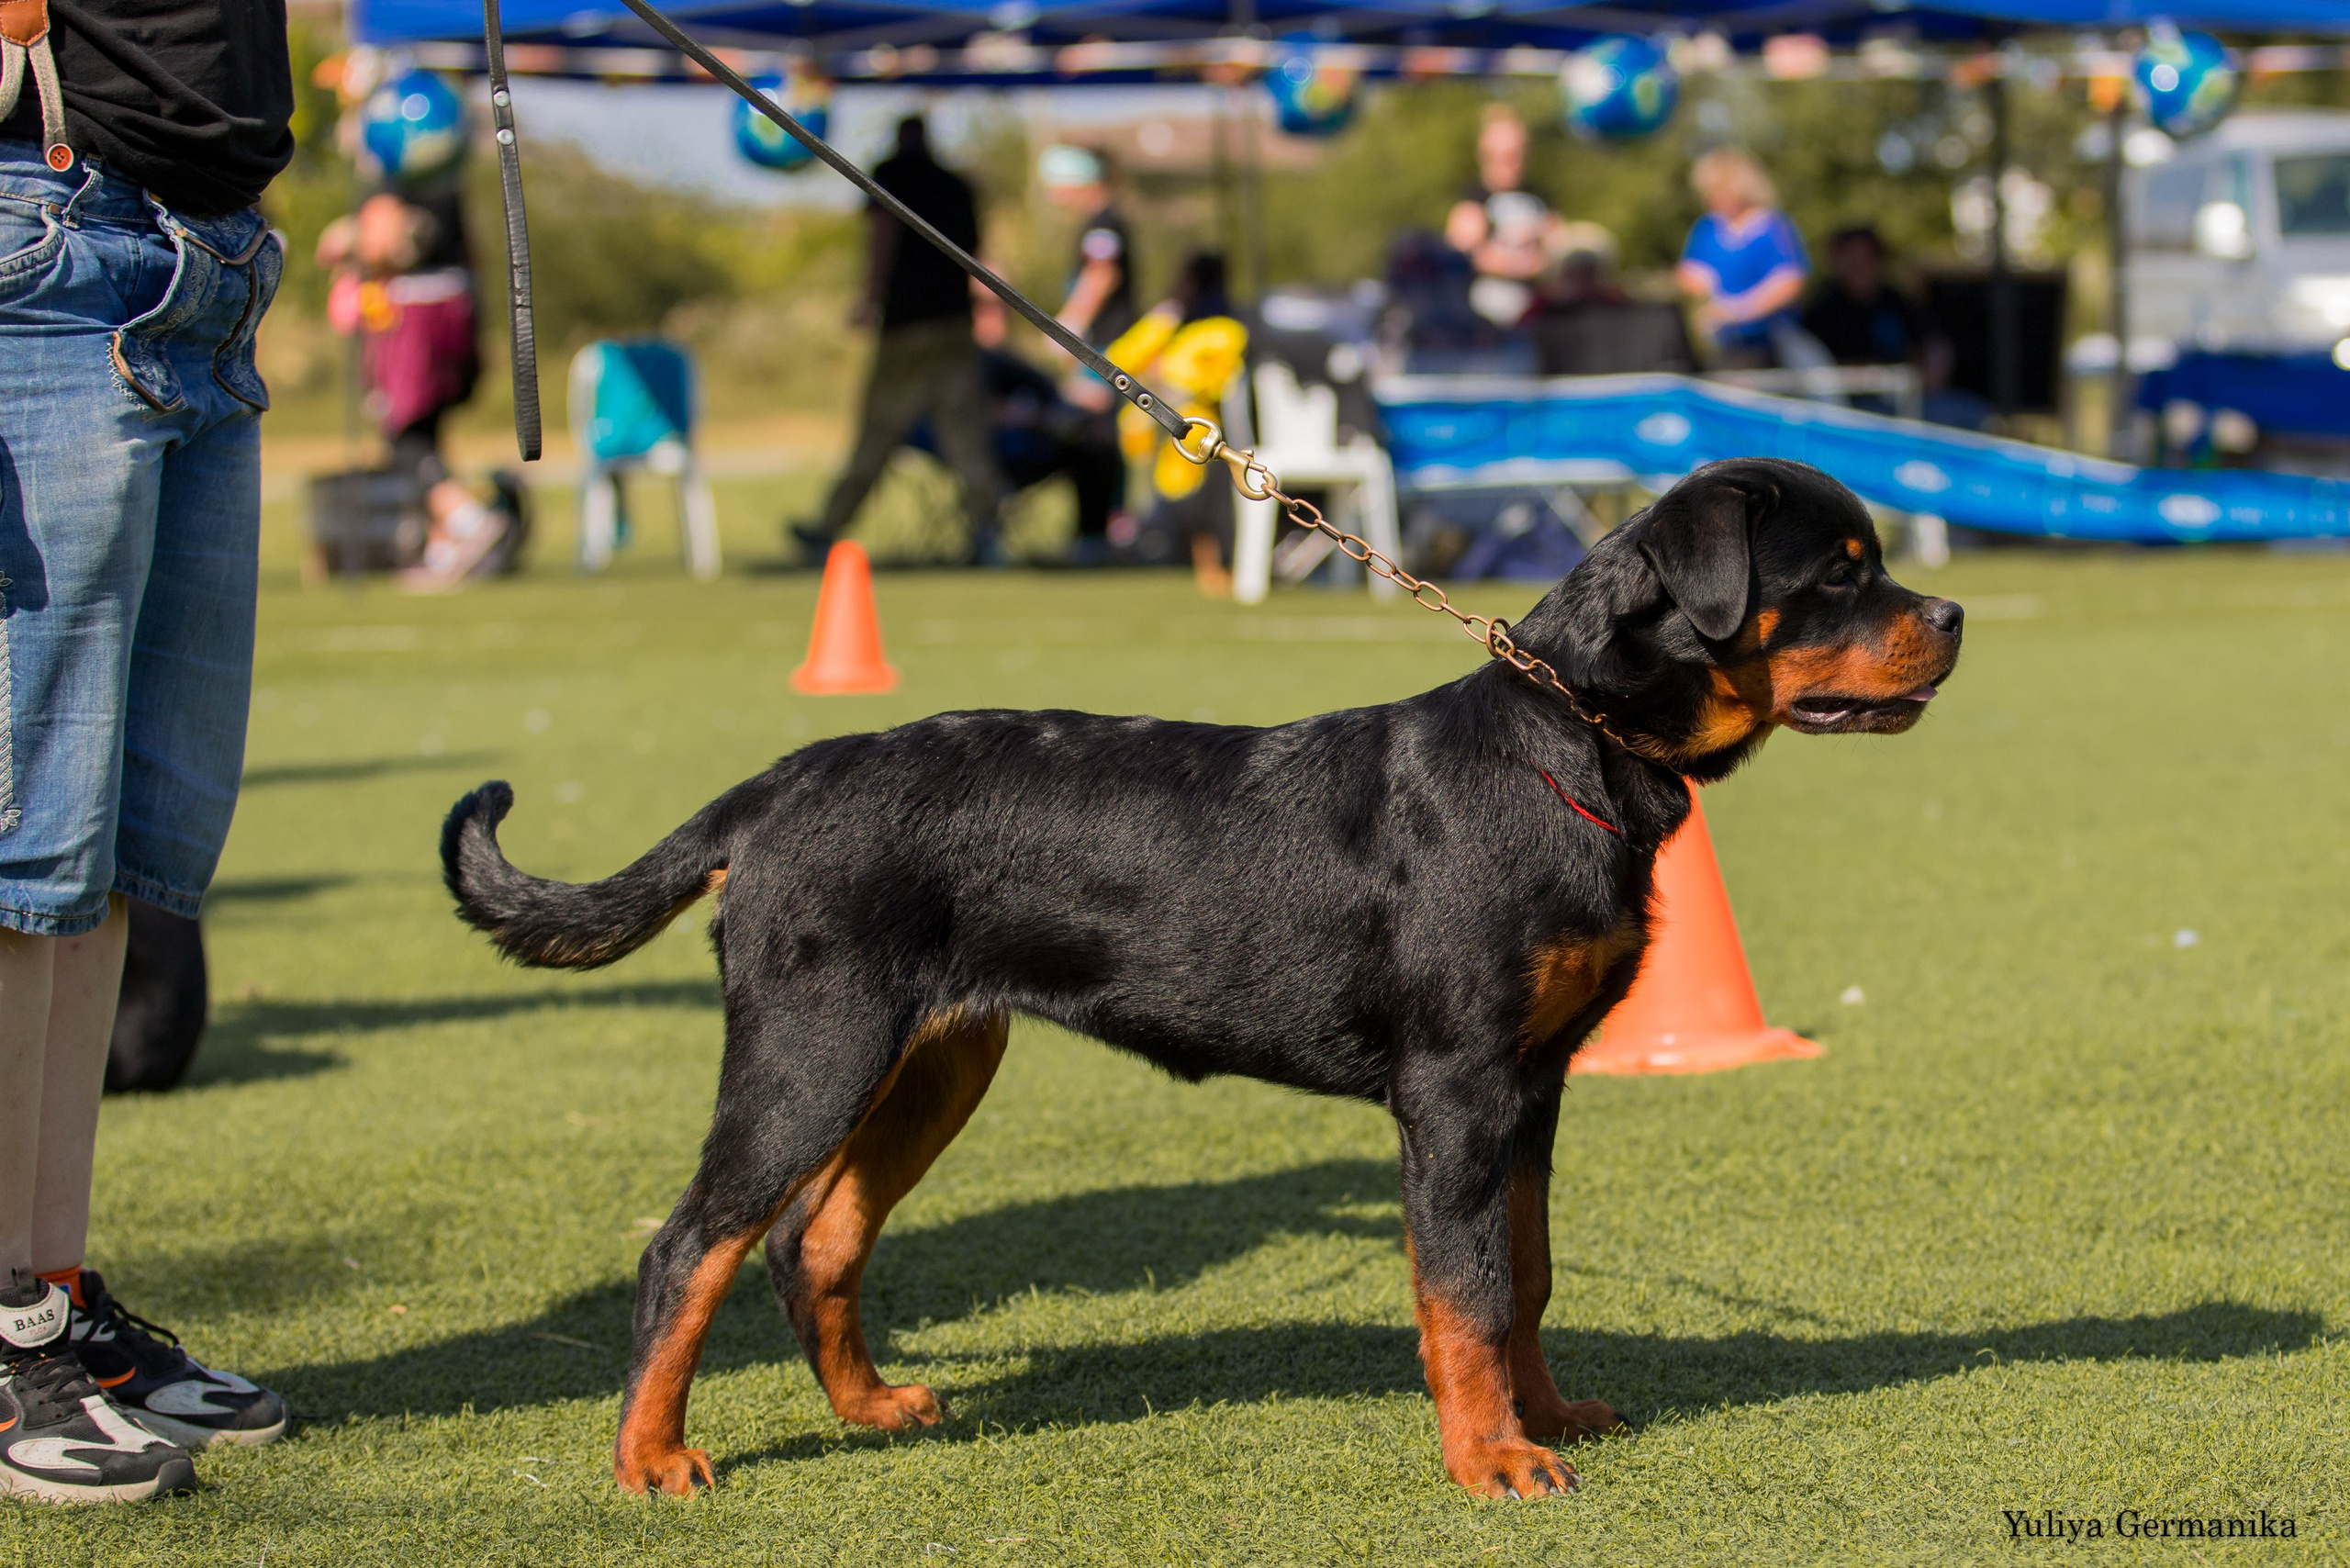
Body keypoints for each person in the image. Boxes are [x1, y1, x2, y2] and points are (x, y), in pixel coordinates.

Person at [1, 0, 294, 1506]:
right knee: (17, 841)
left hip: (203, 249)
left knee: (113, 847)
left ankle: (41, 1288)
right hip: (41, 231)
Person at [791, 117, 1002, 566]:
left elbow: (883, 237)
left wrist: (869, 300)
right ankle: (987, 528)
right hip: (953, 326)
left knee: (878, 432)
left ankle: (829, 526)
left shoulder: (892, 176)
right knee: (964, 435)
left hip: (907, 327)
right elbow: (977, 254)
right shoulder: (956, 185)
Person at [317, 180, 519, 588]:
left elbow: (383, 241)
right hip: (455, 304)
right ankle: (441, 551)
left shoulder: (396, 167)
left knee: (405, 436)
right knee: (426, 429)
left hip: (415, 313)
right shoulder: (446, 170)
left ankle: (470, 520)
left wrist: (347, 242)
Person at [1105, 253, 1248, 596]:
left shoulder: (1223, 328)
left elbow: (1217, 378)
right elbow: (1117, 361)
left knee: (1201, 504)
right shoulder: (1171, 323)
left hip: (1201, 431)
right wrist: (1160, 320)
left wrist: (1165, 372)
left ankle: (1214, 566)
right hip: (1151, 439)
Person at [1039, 144, 1134, 564]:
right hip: (1099, 347)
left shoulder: (1103, 224)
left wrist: (1072, 322)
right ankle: (1099, 529)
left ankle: (1102, 531)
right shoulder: (1099, 222)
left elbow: (1102, 273)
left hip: (1105, 350)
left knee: (1096, 438)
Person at [1799, 225, 1970, 420]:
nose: (1858, 266)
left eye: (1865, 258)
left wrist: (1928, 369)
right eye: (1850, 258)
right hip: (1854, 406)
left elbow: (1931, 343)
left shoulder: (1896, 301)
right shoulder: (1822, 310)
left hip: (1909, 395)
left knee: (1969, 413)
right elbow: (1817, 367)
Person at [1676, 149, 1813, 370]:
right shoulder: (1708, 228)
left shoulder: (1773, 227)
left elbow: (1790, 281)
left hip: (1769, 347)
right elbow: (1688, 273)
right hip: (1721, 346)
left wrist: (1741, 310)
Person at [1445, 106, 1567, 333]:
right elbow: (1463, 256)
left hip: (1536, 314)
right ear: (1486, 154)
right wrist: (1519, 266)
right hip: (1487, 316)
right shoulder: (1473, 199)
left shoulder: (1540, 197)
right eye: (1507, 155)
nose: (1514, 162)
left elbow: (1560, 250)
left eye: (1519, 153)